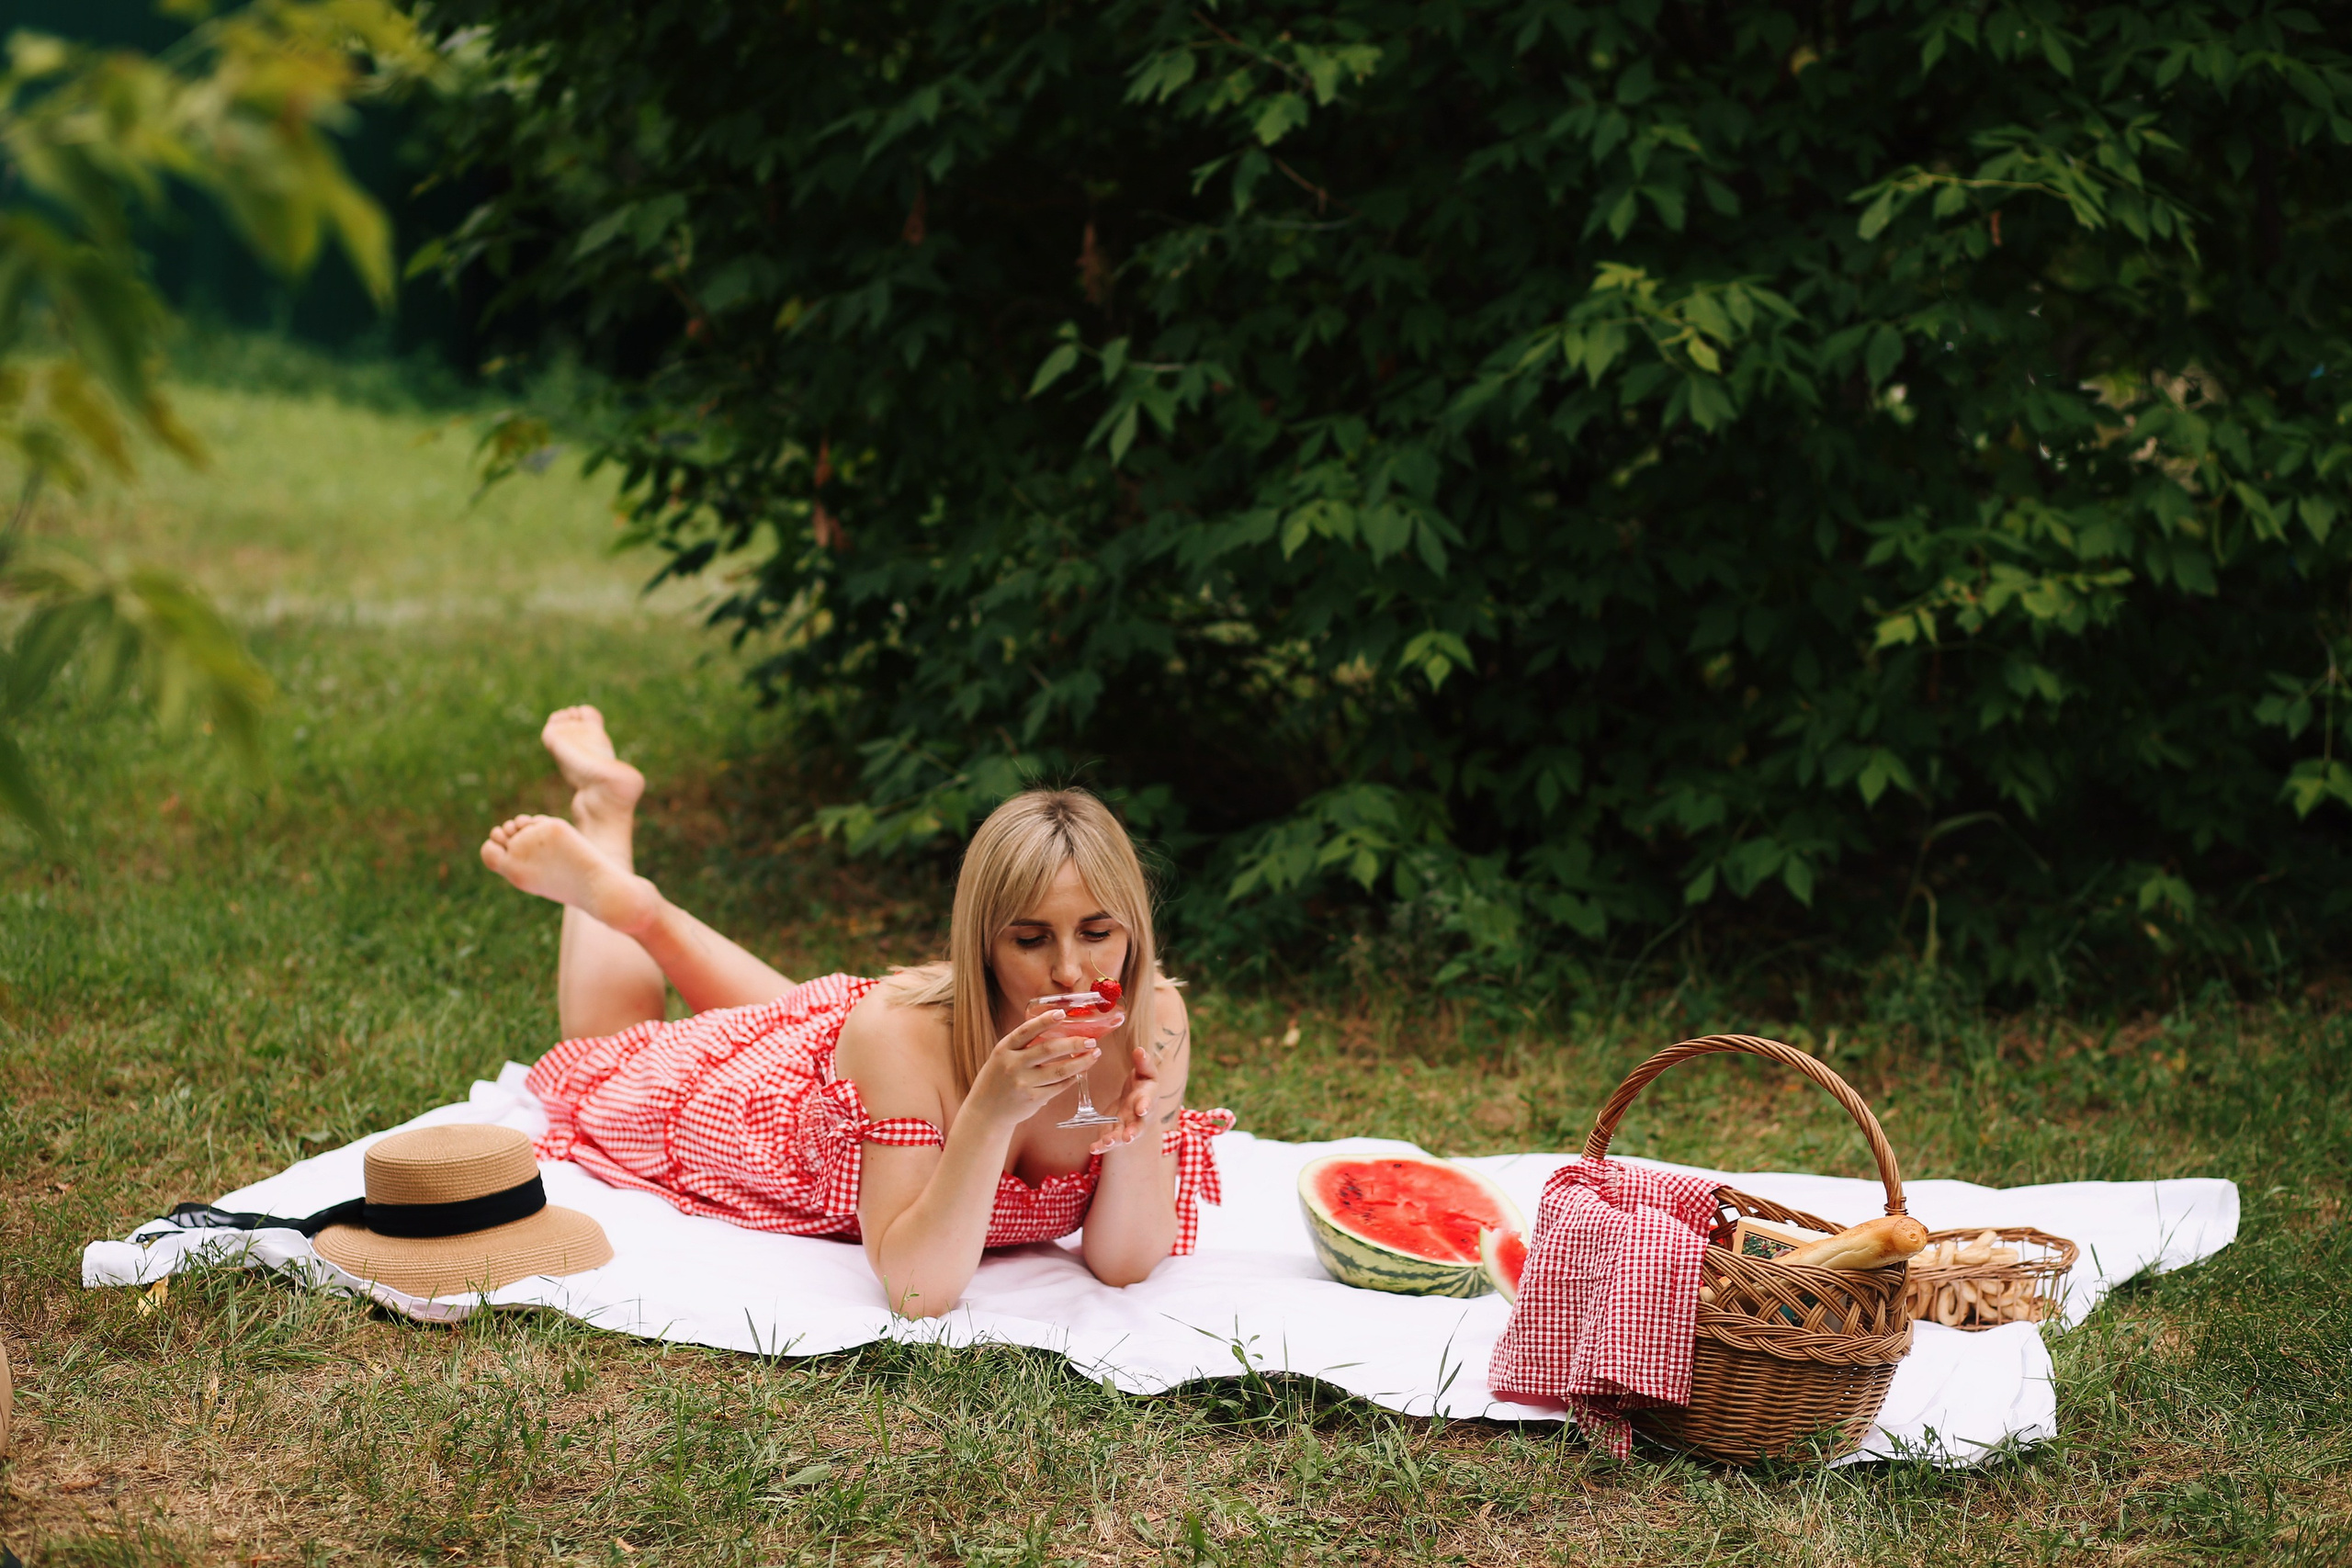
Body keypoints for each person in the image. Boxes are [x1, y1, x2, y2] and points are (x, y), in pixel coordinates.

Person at [478, 706, 1229, 1317]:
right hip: (787, 1107)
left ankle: (645, 906)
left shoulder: (1154, 1017)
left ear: (1135, 929)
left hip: (851, 1034)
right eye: (1031, 939)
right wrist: (989, 1112)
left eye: (1099, 933)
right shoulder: (904, 1033)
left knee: (795, 1013)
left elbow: (1124, 1263)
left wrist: (1136, 1132)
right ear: (981, 945)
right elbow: (915, 1289)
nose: (1070, 969)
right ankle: (610, 843)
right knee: (614, 1050)